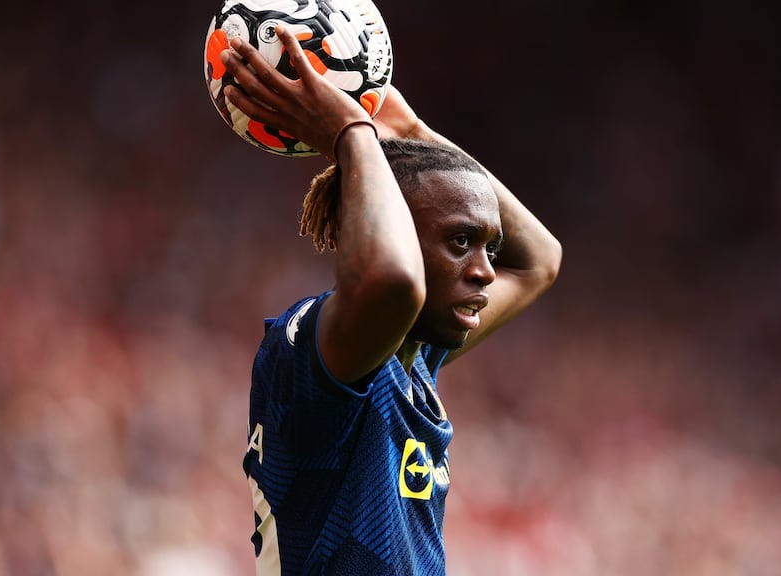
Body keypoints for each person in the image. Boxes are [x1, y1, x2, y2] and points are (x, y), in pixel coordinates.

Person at [222, 26, 562, 575]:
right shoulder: (315, 351)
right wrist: (349, 130)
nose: (485, 269)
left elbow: (540, 259)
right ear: (398, 233)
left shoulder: (412, 361)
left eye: (488, 247)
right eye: (460, 242)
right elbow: (394, 284)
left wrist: (409, 129)